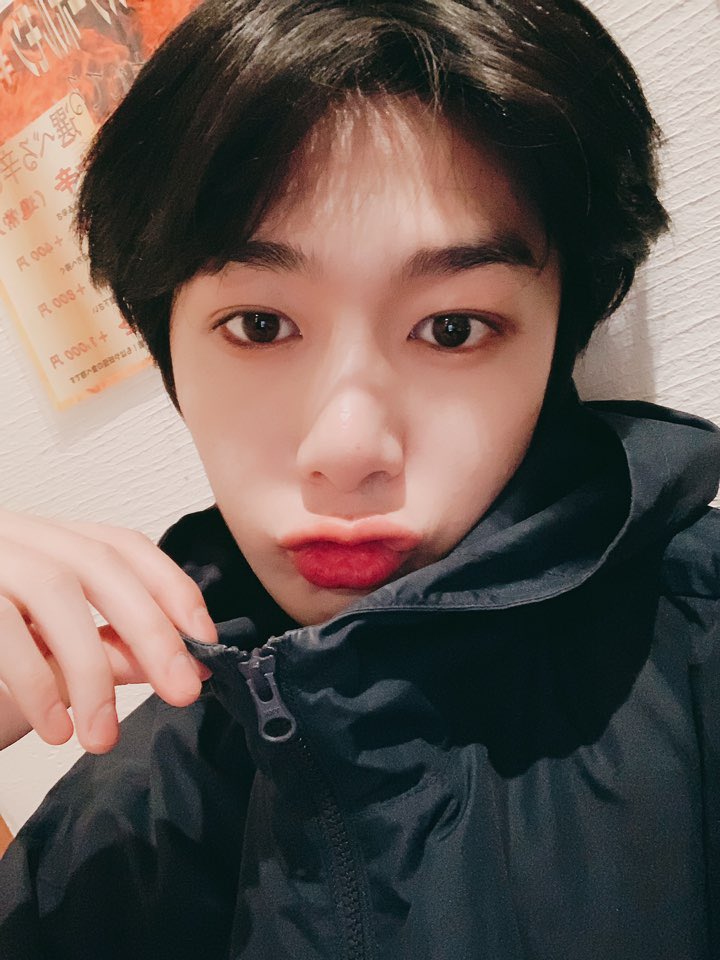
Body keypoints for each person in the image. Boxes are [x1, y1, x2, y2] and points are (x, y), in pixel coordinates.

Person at [1, 0, 719, 957]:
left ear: (558, 344)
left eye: (452, 328)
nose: (346, 450)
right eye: (260, 326)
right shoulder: (122, 820)